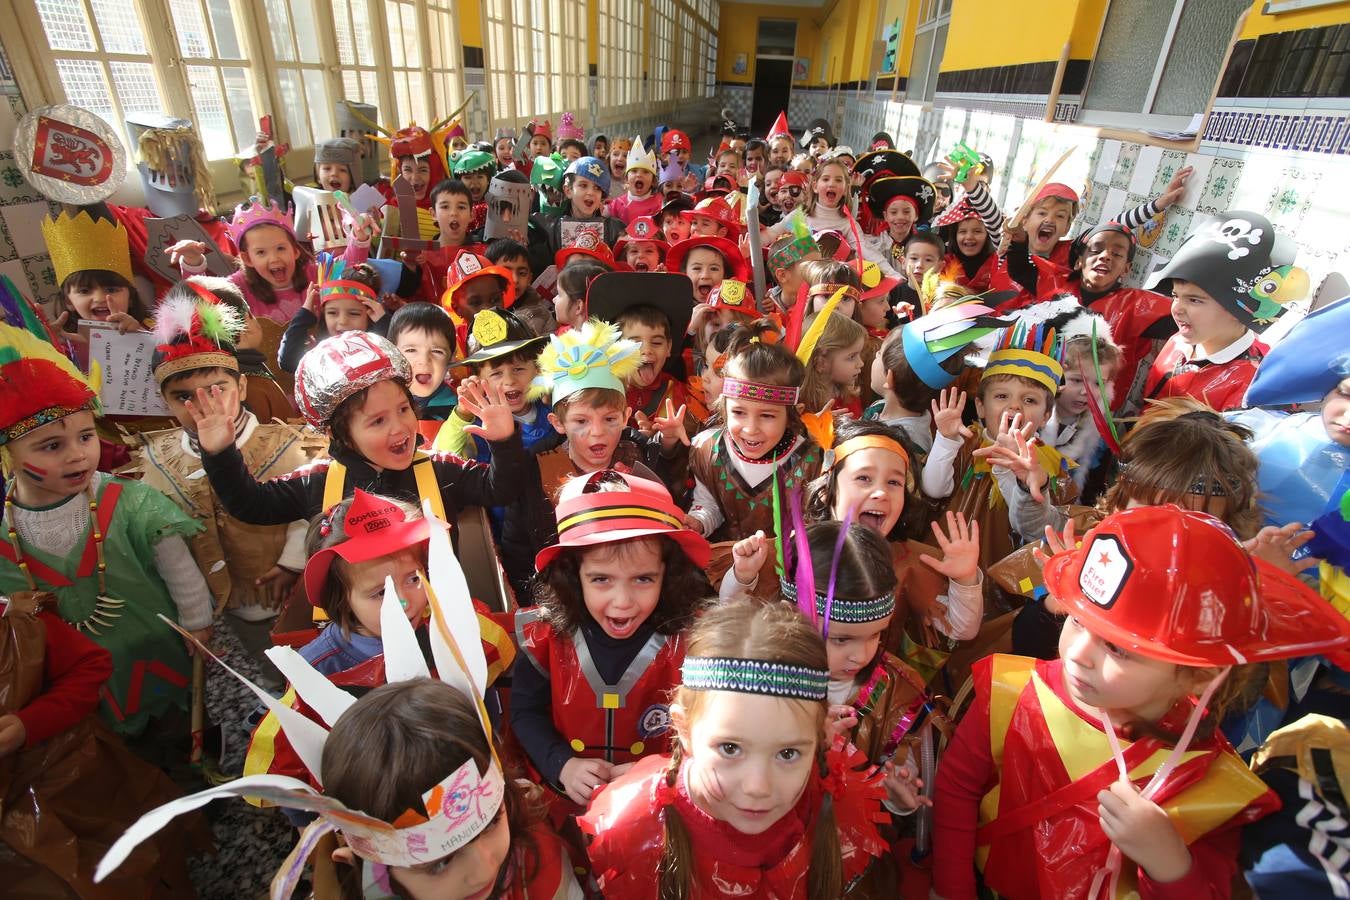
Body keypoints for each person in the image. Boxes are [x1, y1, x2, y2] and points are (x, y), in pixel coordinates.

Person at [96, 530, 563, 899]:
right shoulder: (317, 674)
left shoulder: (457, 622)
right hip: (392, 821)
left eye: (413, 579)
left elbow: (511, 655)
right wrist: (326, 839)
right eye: (378, 593)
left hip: (472, 797)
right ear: (341, 604)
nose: (405, 602)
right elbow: (291, 770)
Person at [931, 505, 1350, 900]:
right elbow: (957, 788)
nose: (1077, 653)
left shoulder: (1206, 780)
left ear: (1198, 672)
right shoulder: (1010, 692)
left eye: (1118, 648)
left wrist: (1170, 863)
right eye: (1077, 620)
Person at [580, 597, 896, 897]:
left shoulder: (837, 812)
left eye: (788, 753)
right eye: (730, 748)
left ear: (821, 739)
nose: (758, 787)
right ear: (684, 729)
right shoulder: (635, 831)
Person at [0, 323, 212, 740]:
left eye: (85, 436)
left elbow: (176, 565)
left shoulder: (131, 502)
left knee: (178, 733)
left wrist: (198, 621)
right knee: (102, 752)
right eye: (52, 446)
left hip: (155, 655)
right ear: (8, 453)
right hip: (65, 680)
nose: (79, 454)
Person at [135, 281, 315, 683]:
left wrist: (292, 564)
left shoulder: (282, 445)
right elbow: (170, 547)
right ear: (163, 400)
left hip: (292, 592)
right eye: (184, 396)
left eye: (218, 389)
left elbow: (308, 510)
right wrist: (196, 615)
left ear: (242, 386)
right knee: (265, 671)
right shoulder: (159, 462)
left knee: (309, 668)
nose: (204, 406)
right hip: (229, 605)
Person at [511, 470, 711, 819]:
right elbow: (525, 713)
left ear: (668, 574)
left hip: (658, 806)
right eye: (601, 579)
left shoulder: (693, 640)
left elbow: (713, 728)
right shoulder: (544, 636)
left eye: (643, 579)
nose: (623, 601)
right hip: (565, 804)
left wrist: (664, 767)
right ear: (573, 576)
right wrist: (561, 763)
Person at [189, 330, 530, 530]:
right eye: (377, 421)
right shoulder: (317, 482)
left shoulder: (440, 468)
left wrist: (504, 441)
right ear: (340, 435)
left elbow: (500, 490)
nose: (400, 427)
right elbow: (251, 505)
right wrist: (220, 453)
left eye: (403, 409)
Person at [0, 590, 208, 898]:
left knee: (125, 872)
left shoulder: (19, 624)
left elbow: (90, 666)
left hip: (68, 783)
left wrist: (28, 723)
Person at [1144, 210, 1305, 412]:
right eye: (1176, 296)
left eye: (1194, 300)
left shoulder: (1257, 387)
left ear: (1237, 308)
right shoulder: (1177, 342)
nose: (1177, 308)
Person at [530, 318, 689, 502]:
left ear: (625, 417)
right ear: (558, 422)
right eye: (581, 421)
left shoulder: (641, 461)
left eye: (609, 419)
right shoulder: (541, 474)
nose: (597, 432)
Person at [686, 338, 822, 544]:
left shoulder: (812, 462)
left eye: (767, 416)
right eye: (739, 412)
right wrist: (699, 522)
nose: (751, 429)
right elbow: (709, 504)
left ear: (792, 415)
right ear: (723, 408)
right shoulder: (707, 449)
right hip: (724, 566)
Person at [172, 197, 373, 324]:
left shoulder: (314, 275)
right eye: (261, 252)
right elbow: (201, 301)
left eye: (280, 248)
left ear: (295, 250)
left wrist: (359, 235)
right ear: (247, 258)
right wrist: (192, 262)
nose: (274, 258)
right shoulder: (238, 286)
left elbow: (347, 268)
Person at [277, 253, 388, 374]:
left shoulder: (377, 349)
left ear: (370, 314)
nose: (342, 321)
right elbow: (287, 361)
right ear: (324, 314)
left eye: (354, 313)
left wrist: (383, 321)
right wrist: (305, 313)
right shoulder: (319, 353)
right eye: (332, 313)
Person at [386, 302, 457, 428]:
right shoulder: (380, 399)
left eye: (437, 351)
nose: (424, 360)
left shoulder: (457, 411)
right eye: (411, 350)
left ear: (451, 358)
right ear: (392, 354)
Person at [797, 311, 866, 418]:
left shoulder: (850, 397)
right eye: (852, 357)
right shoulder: (799, 404)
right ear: (821, 362)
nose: (860, 363)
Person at [607, 137, 661, 225]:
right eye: (634, 171)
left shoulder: (660, 203)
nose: (639, 175)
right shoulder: (616, 204)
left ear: (653, 181)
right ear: (626, 179)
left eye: (646, 172)